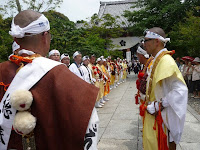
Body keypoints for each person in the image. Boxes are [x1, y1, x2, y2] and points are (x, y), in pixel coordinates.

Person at [0, 10, 99, 150]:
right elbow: (88, 120)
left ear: (16, 39)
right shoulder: (59, 73)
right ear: (45, 36)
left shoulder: (1, 70)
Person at [142, 27, 188, 150]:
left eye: (146, 40)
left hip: (160, 116)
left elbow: (180, 90)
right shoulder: (157, 59)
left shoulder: (166, 61)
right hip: (153, 113)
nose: (143, 43)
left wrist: (159, 105)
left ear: (157, 41)